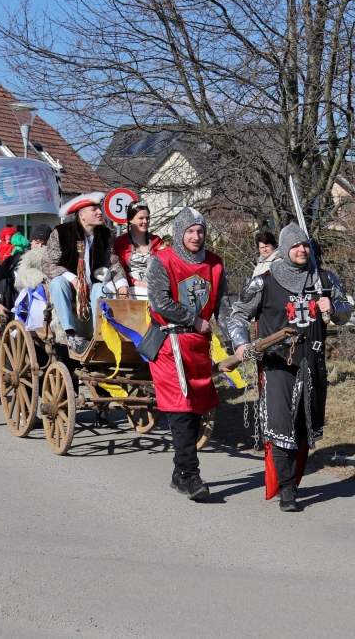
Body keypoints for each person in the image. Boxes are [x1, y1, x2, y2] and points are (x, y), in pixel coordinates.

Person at [228, 225, 351, 511]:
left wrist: (333, 308)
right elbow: (237, 315)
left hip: (313, 362)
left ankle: (292, 481)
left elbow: (346, 313)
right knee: (281, 424)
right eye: (295, 246)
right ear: (284, 248)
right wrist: (240, 343)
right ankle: (286, 488)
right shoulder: (265, 282)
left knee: (303, 426)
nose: (301, 250)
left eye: (305, 245)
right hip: (277, 362)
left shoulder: (324, 279)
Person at [145, 207, 227, 501]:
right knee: (180, 409)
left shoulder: (215, 264)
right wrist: (193, 320)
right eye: (190, 231)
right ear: (180, 233)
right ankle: (191, 476)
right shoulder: (162, 261)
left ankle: (180, 473)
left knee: (196, 411)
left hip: (199, 347)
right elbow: (160, 301)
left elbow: (222, 305)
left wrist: (235, 341)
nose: (196, 236)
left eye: (200, 231)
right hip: (168, 344)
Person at [41, 193, 128, 352]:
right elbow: (47, 264)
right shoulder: (61, 232)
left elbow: (112, 262)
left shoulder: (105, 234)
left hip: (92, 285)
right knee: (58, 282)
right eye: (94, 209)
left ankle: (99, 336)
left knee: (101, 289)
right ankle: (70, 334)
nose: (100, 212)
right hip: (69, 288)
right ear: (81, 215)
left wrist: (122, 284)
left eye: (99, 208)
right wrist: (72, 278)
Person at [0, 225, 50, 319]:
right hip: (18, 314)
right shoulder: (18, 259)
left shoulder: (53, 262)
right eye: (36, 242)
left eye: (44, 244)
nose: (39, 247)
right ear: (31, 242)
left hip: (46, 314)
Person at [113, 201, 163, 289]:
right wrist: (136, 282)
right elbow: (118, 268)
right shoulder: (121, 242)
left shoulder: (156, 241)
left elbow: (163, 267)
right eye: (141, 218)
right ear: (130, 219)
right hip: (129, 287)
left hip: (154, 285)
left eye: (147, 218)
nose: (145, 221)